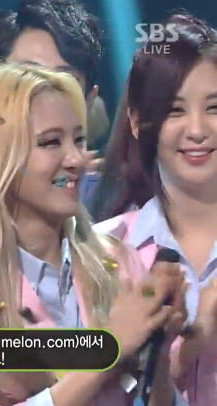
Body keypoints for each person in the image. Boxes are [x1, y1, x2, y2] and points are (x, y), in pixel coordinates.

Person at [0, 64, 186, 406]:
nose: (76, 159)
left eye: (79, 139)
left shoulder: (117, 261)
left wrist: (157, 352)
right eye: (51, 142)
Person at [93, 13, 217, 405]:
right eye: (174, 110)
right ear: (137, 121)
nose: (197, 130)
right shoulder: (99, 253)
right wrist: (191, 343)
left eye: (214, 108)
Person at [0, 0, 108, 206]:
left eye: (65, 81)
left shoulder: (108, 207)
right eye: (27, 75)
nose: (44, 94)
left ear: (89, 100)